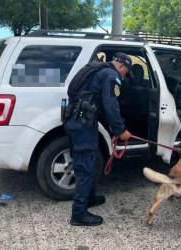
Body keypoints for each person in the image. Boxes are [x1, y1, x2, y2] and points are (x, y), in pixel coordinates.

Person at [65, 52, 132, 226]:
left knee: (90, 161)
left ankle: (89, 198)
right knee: (85, 167)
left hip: (74, 119)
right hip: (83, 124)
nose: (124, 75)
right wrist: (120, 130)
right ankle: (79, 214)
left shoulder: (97, 69)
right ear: (122, 66)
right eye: (126, 71)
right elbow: (111, 105)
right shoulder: (111, 75)